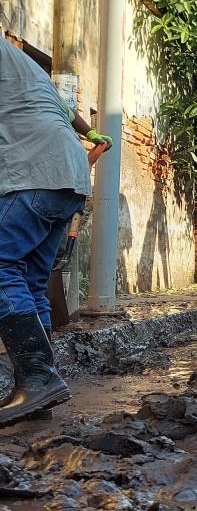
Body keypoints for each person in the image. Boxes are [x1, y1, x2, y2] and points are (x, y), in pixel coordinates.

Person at [0, 23, 112, 427]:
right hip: (69, 175)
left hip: (34, 173)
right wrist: (90, 131)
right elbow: (67, 110)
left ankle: (37, 377)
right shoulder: (21, 62)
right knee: (29, 281)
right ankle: (35, 387)